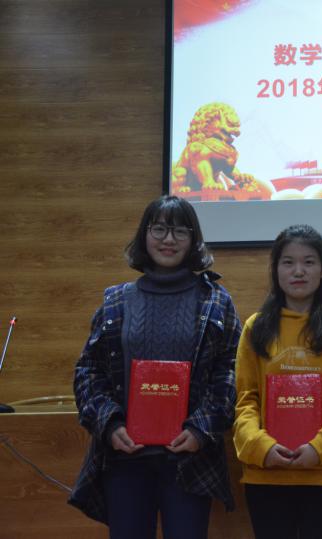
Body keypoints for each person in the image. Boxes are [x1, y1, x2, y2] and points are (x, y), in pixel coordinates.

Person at [69, 195, 242, 539]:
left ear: (193, 239)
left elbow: (232, 371)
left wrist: (200, 430)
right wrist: (110, 424)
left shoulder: (216, 301)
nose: (168, 239)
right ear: (144, 235)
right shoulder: (116, 301)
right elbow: (88, 371)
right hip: (125, 458)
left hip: (190, 460)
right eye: (159, 229)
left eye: (180, 231)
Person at [232, 224, 322, 539]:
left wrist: (319, 448)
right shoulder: (255, 327)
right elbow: (245, 400)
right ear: (276, 269)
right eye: (288, 262)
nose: (299, 271)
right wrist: (261, 446)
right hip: (267, 471)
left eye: (309, 262)